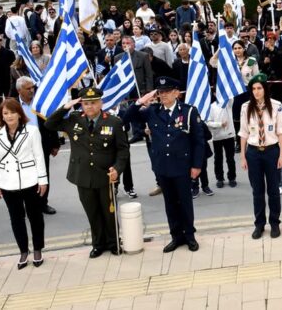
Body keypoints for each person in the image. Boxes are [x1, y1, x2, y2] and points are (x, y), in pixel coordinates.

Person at [45, 88, 129, 258]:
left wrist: (117, 169)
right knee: (92, 212)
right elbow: (49, 124)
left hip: (105, 175)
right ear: (81, 104)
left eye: (93, 103)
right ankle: (98, 244)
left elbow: (123, 150)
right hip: (82, 175)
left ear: (101, 103)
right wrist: (65, 107)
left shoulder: (113, 122)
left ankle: (114, 242)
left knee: (109, 212)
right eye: (86, 103)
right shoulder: (74, 119)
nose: (90, 106)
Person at [125, 77, 205, 252]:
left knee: (185, 203)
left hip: (182, 166)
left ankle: (189, 236)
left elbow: (199, 141)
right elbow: (126, 117)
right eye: (160, 92)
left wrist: (196, 166)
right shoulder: (152, 111)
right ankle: (176, 237)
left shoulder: (189, 111)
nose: (163, 95)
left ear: (176, 93)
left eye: (167, 91)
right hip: (162, 166)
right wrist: (140, 101)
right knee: (170, 204)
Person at [0, 98, 48, 269]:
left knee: (35, 217)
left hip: (30, 180)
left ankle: (38, 249)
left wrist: (43, 180)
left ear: (20, 114)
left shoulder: (32, 131)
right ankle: (23, 251)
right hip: (8, 183)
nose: (9, 116)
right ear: (1, 116)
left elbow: (39, 156)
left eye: (12, 112)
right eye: (5, 113)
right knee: (16, 219)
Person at [238, 74, 282, 239]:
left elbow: (281, 132)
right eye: (253, 89)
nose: (256, 91)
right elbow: (243, 133)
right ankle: (259, 224)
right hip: (253, 153)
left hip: (272, 151)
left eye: (259, 88)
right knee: (257, 192)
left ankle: (275, 223)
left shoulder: (276, 106)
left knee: (273, 191)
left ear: (265, 89)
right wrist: (243, 157)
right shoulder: (246, 107)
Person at [15, 76, 61, 213]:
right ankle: (27, 204)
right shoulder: (13, 105)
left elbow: (51, 122)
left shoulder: (41, 103)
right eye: (28, 88)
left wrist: (55, 144)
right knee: (24, 175)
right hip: (21, 147)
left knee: (43, 174)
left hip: (41, 144)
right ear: (19, 90)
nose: (31, 90)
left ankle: (42, 203)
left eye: (32, 87)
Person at [208, 90, 237, 189]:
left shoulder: (228, 103)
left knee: (230, 158)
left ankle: (232, 178)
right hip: (217, 137)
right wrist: (220, 124)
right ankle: (219, 179)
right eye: (217, 92)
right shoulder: (212, 106)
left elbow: (231, 96)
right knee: (218, 158)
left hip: (229, 136)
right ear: (214, 94)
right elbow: (208, 122)